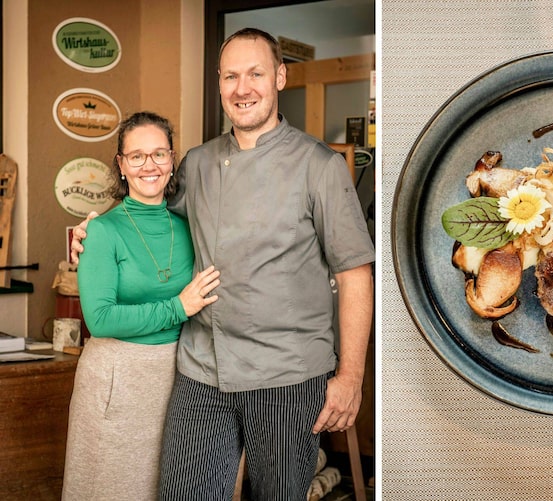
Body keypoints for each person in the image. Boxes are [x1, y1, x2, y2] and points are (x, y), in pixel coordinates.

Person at [71, 28, 375, 500]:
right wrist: (88, 231)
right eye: (231, 76)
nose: (243, 88)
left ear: (279, 77)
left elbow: (354, 272)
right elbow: (146, 215)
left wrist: (350, 377)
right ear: (219, 83)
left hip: (286, 377)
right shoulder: (196, 163)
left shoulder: (320, 166)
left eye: (255, 73)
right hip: (200, 371)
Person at [62, 112, 221, 501]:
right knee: (111, 488)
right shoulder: (101, 230)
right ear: (121, 164)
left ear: (172, 160)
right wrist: (178, 307)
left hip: (178, 377)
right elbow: (100, 320)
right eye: (136, 156)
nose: (149, 165)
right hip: (117, 378)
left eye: (159, 154)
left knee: (160, 488)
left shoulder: (189, 226)